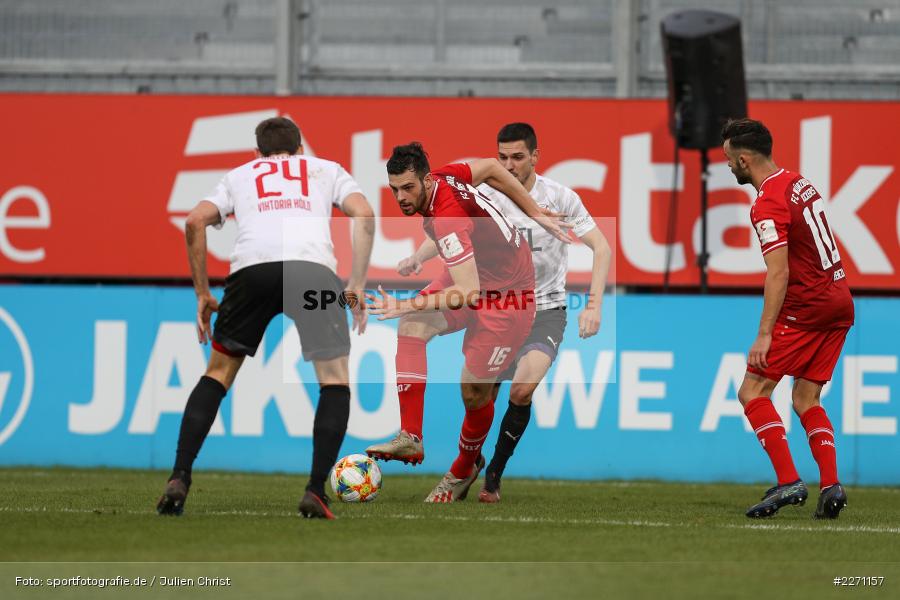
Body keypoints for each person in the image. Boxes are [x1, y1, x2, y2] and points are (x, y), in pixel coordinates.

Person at [156, 117, 374, 520]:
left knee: (218, 373)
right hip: (312, 270)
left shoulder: (240, 175)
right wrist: (357, 283)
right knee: (334, 380)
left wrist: (203, 293)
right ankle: (315, 490)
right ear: (300, 150)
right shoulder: (326, 169)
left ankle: (179, 476)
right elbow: (363, 213)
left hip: (251, 271)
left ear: (257, 154)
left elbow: (193, 220)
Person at [388, 123, 611, 502]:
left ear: (535, 157)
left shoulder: (561, 197)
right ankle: (457, 457)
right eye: (503, 157)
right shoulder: (486, 189)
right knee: (475, 393)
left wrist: (593, 304)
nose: (509, 165)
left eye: (518, 157)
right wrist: (418, 257)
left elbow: (601, 248)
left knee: (520, 390)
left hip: (539, 306)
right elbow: (452, 232)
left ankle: (491, 473)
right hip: (488, 294)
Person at [722, 118, 853, 519]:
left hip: (807, 307)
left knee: (752, 391)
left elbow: (778, 272)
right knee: (805, 398)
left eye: (729, 159)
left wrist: (765, 333)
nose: (728, 166)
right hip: (839, 300)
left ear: (744, 160)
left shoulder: (767, 203)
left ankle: (788, 481)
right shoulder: (798, 182)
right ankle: (830, 485)